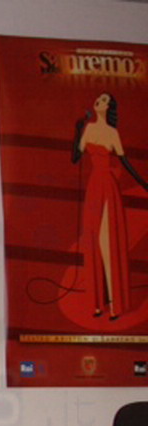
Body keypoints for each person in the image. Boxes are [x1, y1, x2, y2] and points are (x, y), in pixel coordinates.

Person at [71, 92, 148, 320]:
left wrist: (145, 185)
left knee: (106, 243)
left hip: (108, 188)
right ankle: (97, 303)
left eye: (104, 100)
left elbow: (125, 162)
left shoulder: (113, 133)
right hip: (94, 187)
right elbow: (75, 158)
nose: (99, 100)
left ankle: (114, 304)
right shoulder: (88, 128)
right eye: (99, 98)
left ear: (109, 107)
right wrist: (77, 130)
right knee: (93, 242)